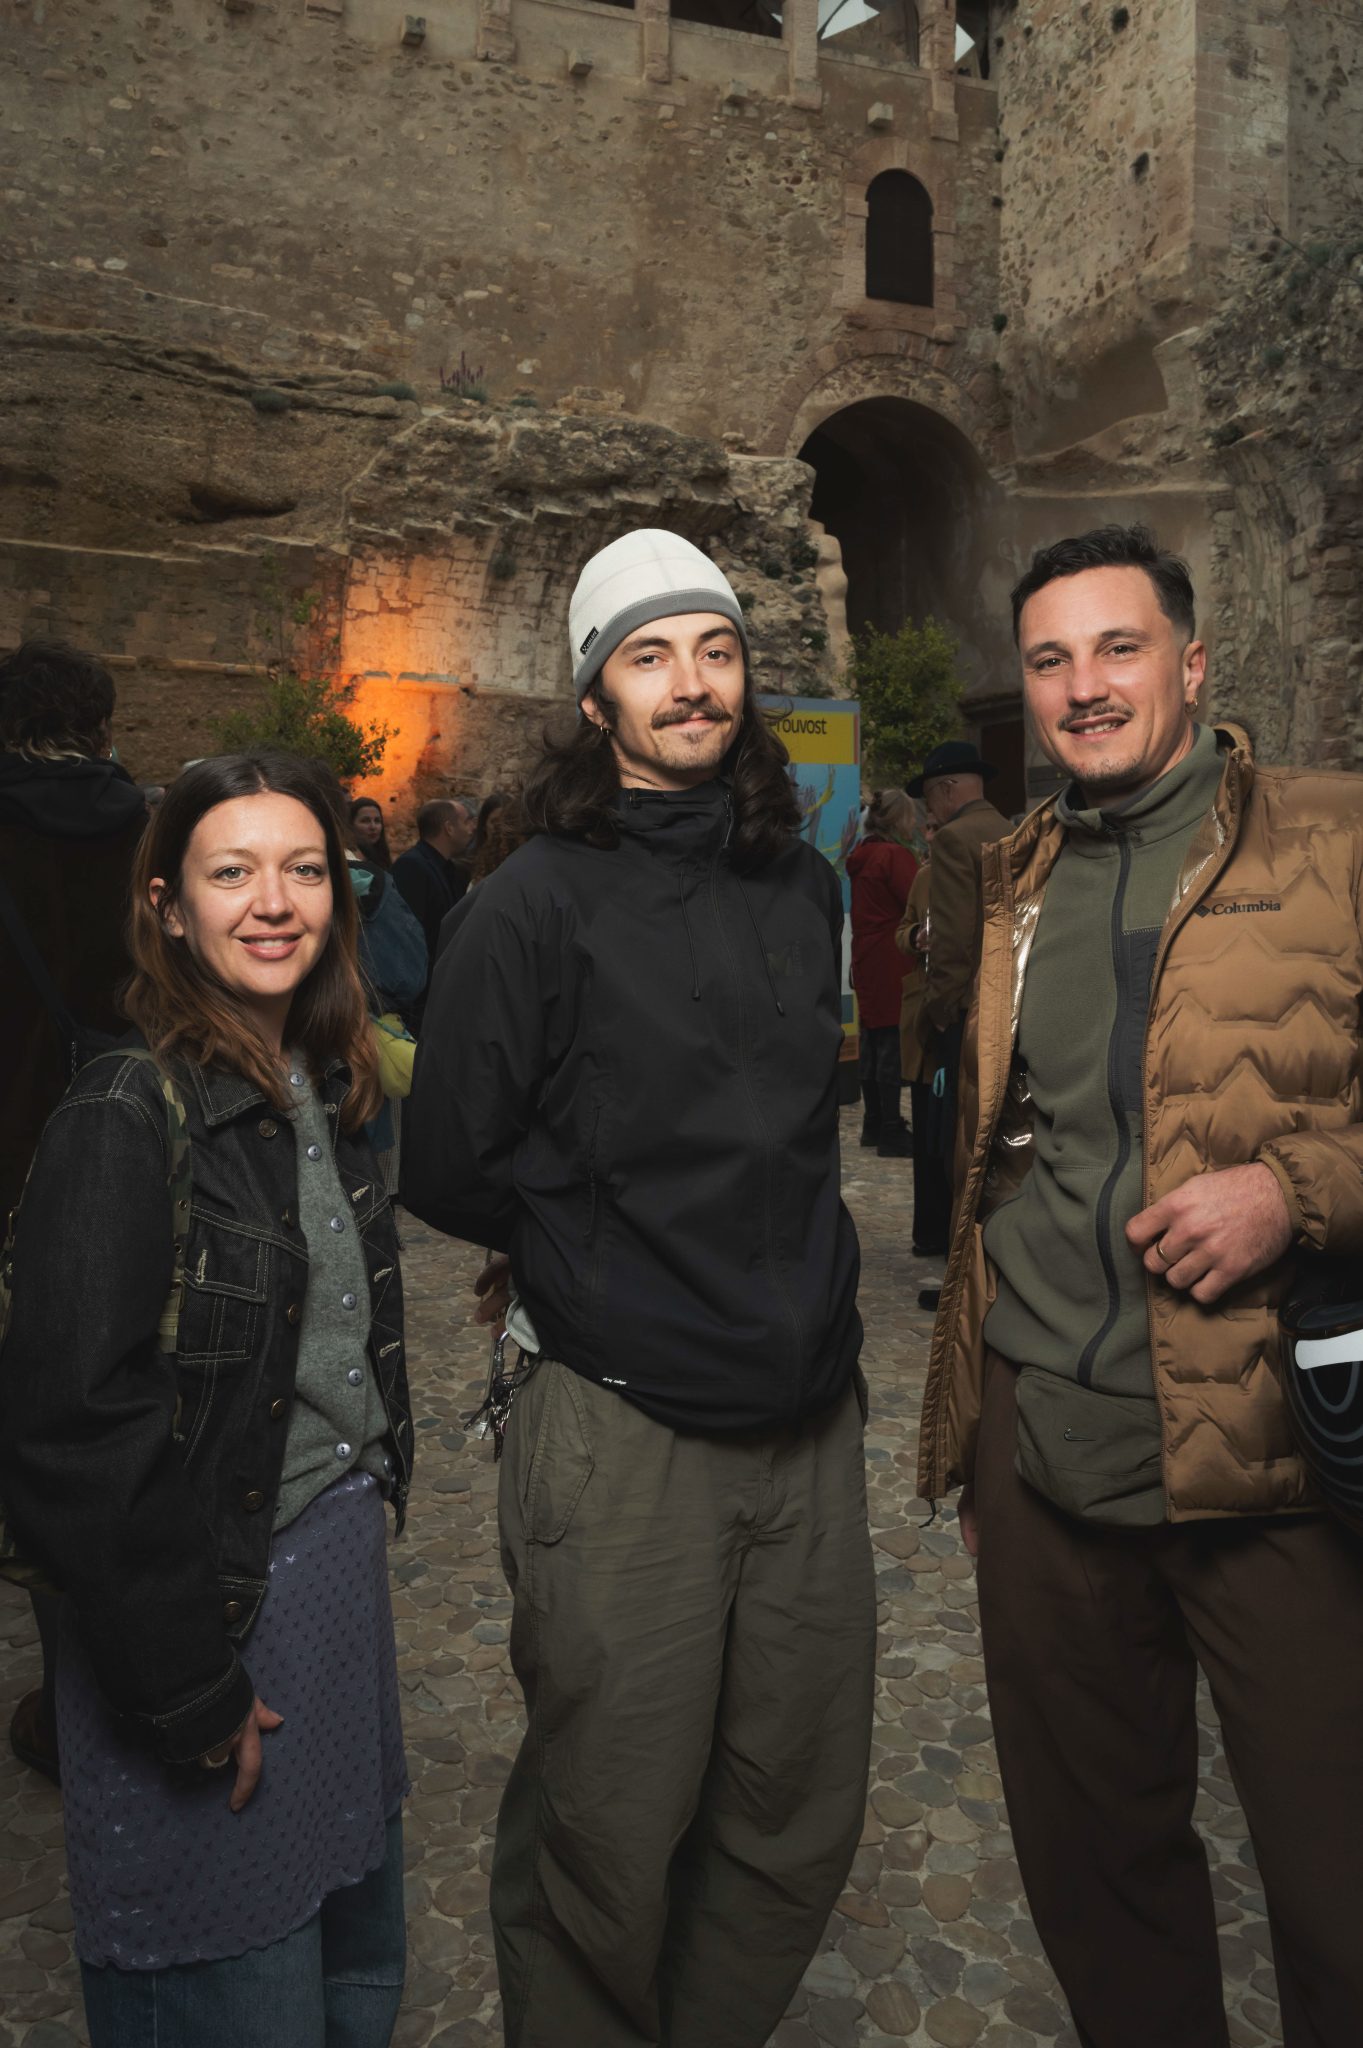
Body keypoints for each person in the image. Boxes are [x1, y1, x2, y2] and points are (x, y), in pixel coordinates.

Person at [403, 527, 874, 2048]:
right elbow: (448, 1160)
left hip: (806, 1427)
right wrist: (590, 1251)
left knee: (792, 1816)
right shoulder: (529, 902)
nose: (690, 683)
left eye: (715, 650)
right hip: (619, 1433)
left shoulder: (800, 887)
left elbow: (806, 1126)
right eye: (649, 655)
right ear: (593, 699)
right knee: (606, 1836)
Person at [918, 525, 1363, 2048]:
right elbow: (998, 1158)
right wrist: (977, 1423)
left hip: (1271, 1463)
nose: (1081, 688)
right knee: (1099, 1882)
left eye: (1116, 650)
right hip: (1048, 1455)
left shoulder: (1330, 839)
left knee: (1335, 1896)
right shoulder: (1011, 876)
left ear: (1189, 663)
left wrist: (1288, 1191)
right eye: (1047, 660)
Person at [0, 752, 413, 2048]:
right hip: (204, 1613)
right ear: (169, 907)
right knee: (226, 1994)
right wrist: (185, 1687)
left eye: (302, 870)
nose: (274, 901)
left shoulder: (324, 1085)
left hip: (329, 1594)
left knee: (349, 1968)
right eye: (231, 872)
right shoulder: (127, 1107)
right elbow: (70, 1432)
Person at [0, 636, 149, 1786]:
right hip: (134, 1153)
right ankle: (117, 1679)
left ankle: (67, 1693)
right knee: (126, 1406)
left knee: (33, 1427)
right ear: (100, 721)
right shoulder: (150, 832)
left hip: (11, 1175)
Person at [909, 740, 1010, 1308]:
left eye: (931, 795)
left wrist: (938, 1016)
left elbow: (950, 947)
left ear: (948, 789)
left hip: (968, 1019)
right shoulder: (1014, 830)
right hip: (1011, 1012)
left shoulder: (953, 841)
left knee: (959, 1149)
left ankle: (960, 1287)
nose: (932, 810)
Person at [847, 787, 918, 1156]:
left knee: (873, 1040)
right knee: (889, 1040)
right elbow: (919, 900)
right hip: (891, 956)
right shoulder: (893, 855)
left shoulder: (863, 854)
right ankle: (891, 1128)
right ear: (896, 818)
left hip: (867, 954)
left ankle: (873, 1124)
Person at [895, 817, 951, 1255]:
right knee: (927, 1125)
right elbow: (903, 930)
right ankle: (928, 1232)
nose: (929, 837)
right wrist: (916, 937)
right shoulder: (925, 877)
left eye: (935, 828)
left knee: (947, 1132)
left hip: (954, 1017)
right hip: (922, 1017)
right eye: (928, 828)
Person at [392, 796, 473, 963]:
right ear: (449, 828)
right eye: (466, 822)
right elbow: (408, 932)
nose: (470, 830)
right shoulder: (411, 866)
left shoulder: (449, 867)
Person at [349, 794, 394, 870]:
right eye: (365, 821)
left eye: (377, 821)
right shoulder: (350, 860)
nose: (373, 827)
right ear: (351, 824)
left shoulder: (382, 857)